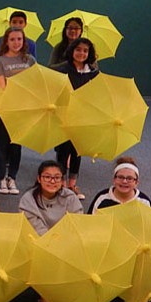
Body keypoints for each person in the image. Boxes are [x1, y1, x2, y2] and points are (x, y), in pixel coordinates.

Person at [18, 160, 88, 302]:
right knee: (46, 256)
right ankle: (45, 301)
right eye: (47, 177)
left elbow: (77, 221)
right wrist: (55, 245)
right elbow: (34, 228)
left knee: (83, 251)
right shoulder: (28, 199)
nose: (52, 181)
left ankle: (77, 301)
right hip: (38, 243)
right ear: (39, 178)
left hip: (66, 241)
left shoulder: (70, 197)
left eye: (57, 178)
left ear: (63, 181)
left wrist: (65, 242)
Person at [88, 157, 151, 302]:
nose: (124, 181)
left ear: (136, 182)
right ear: (114, 179)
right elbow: (90, 226)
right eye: (120, 177)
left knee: (144, 258)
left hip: (135, 245)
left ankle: (138, 301)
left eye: (129, 178)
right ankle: (125, 299)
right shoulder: (102, 199)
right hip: (108, 244)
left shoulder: (143, 201)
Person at [0, 10, 38, 165]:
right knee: (0, 133)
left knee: (17, 139)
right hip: (5, 99)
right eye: (14, 22)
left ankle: (11, 167)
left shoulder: (30, 51)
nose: (16, 42)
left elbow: (34, 76)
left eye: (20, 22)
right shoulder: (0, 49)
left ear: (25, 25)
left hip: (22, 102)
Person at [52, 38, 99, 199]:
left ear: (89, 54)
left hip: (82, 118)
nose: (81, 53)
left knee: (77, 151)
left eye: (85, 51)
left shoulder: (93, 73)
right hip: (63, 116)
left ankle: (72, 184)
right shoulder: (61, 70)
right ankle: (60, 184)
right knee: (63, 151)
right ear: (72, 51)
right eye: (78, 50)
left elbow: (96, 96)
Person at [0, 27, 36, 195]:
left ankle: (12, 178)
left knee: (16, 146)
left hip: (23, 110)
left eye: (19, 39)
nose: (16, 42)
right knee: (2, 144)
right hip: (5, 109)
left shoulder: (30, 60)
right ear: (6, 42)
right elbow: (2, 87)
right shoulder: (0, 61)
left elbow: (33, 84)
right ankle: (2, 179)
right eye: (12, 39)